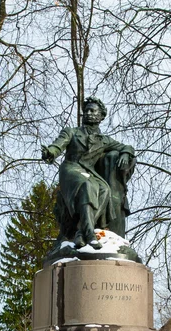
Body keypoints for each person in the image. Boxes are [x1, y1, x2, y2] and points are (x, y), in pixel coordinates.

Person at [41, 97, 135, 249]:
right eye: (86, 111)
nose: (88, 113)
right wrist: (50, 152)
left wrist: (125, 154)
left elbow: (127, 147)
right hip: (71, 169)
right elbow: (58, 145)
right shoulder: (71, 132)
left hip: (88, 172)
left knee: (104, 190)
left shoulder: (104, 140)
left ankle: (81, 231)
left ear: (101, 116)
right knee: (87, 186)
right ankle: (89, 233)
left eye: (93, 111)